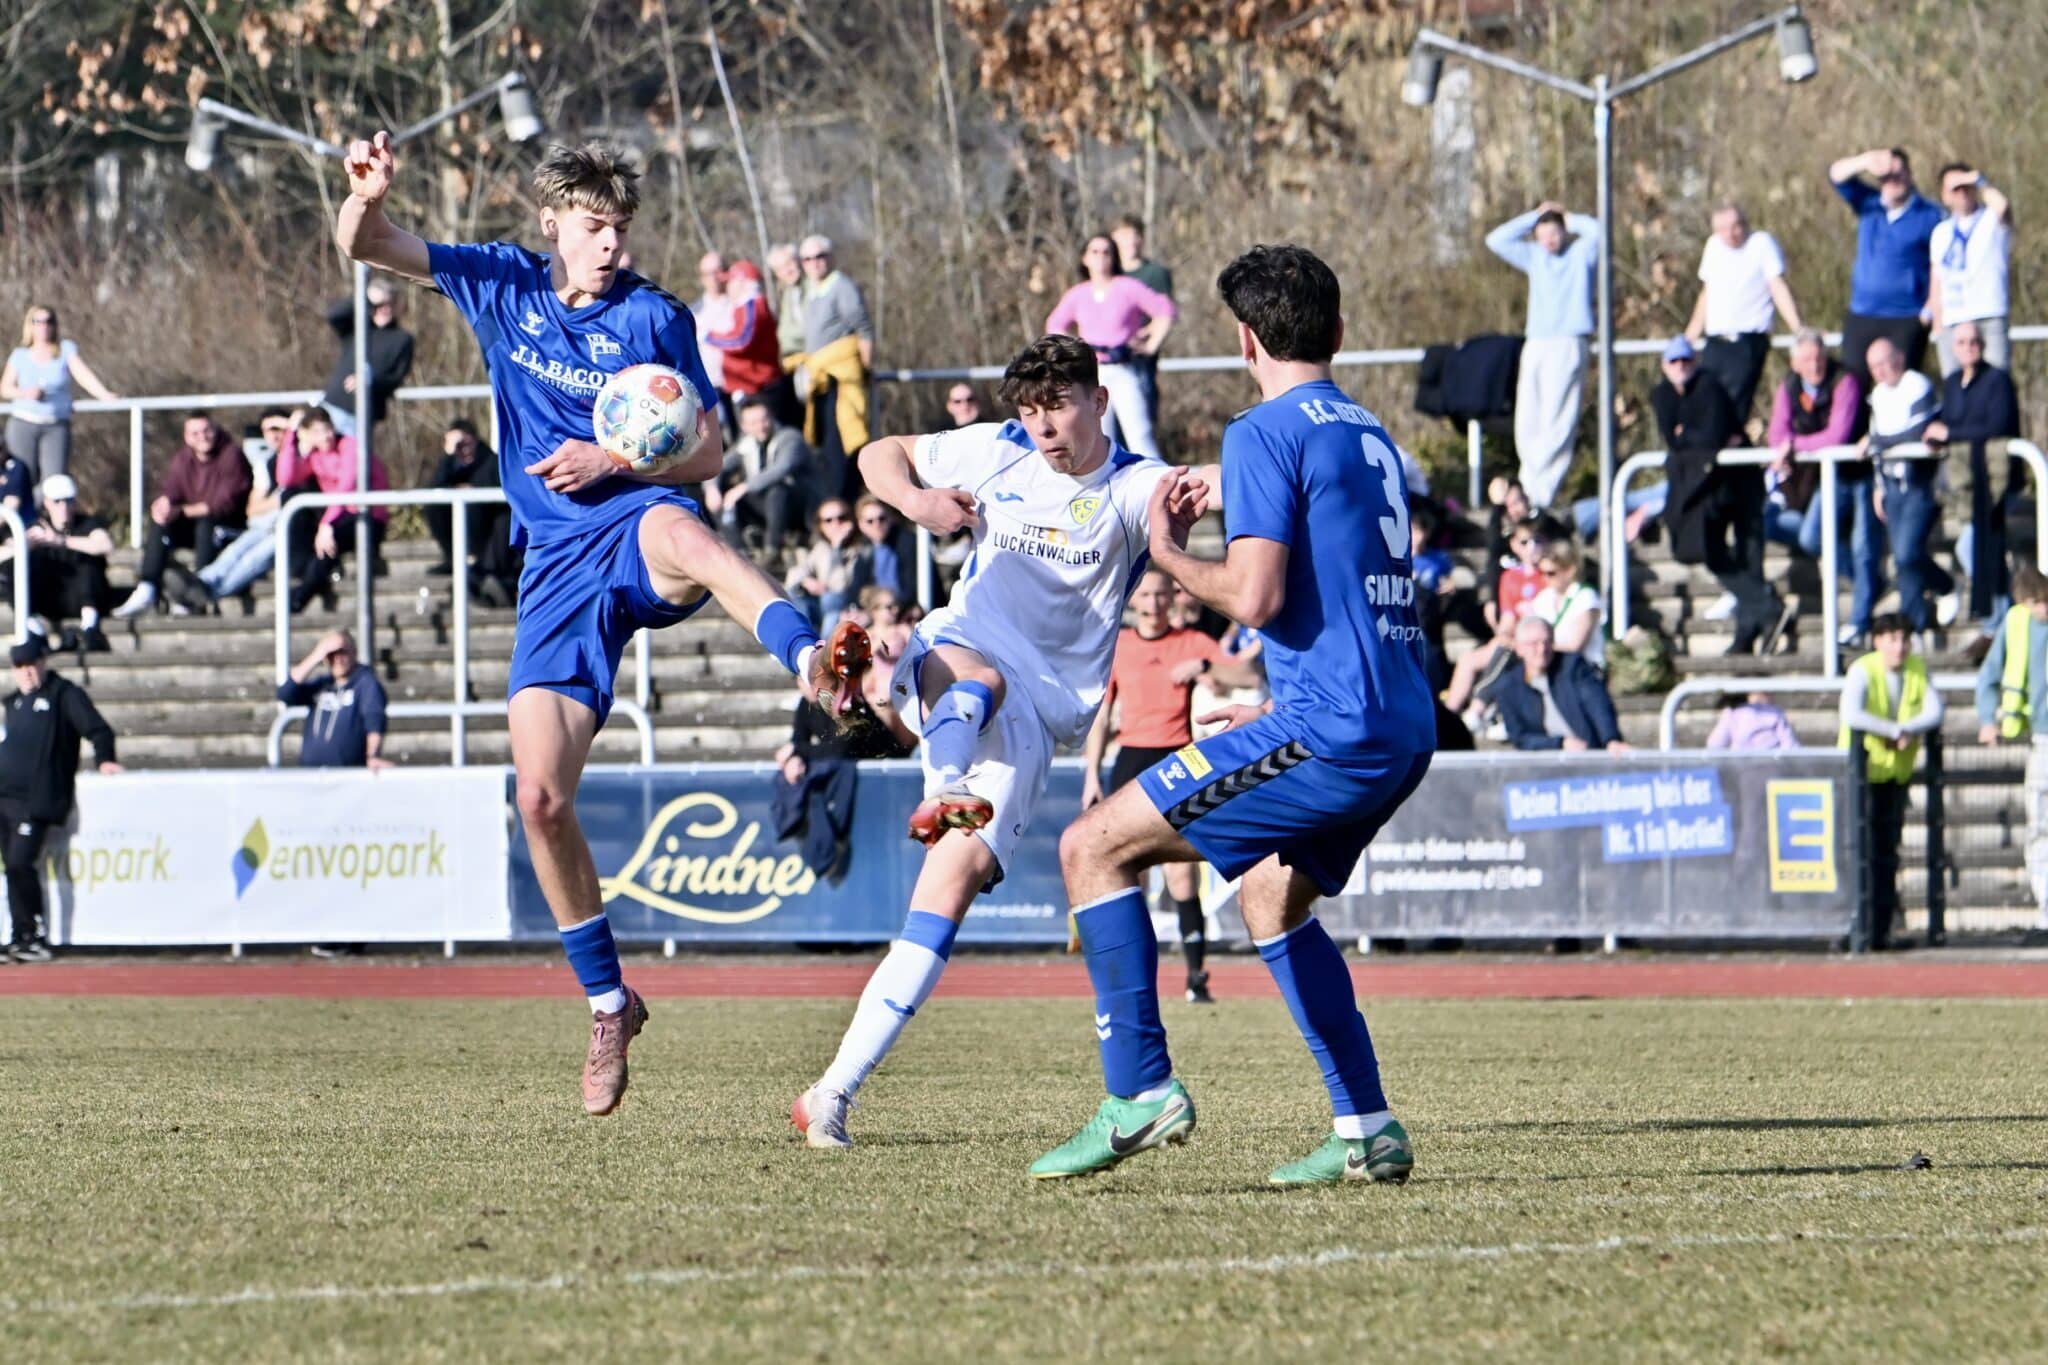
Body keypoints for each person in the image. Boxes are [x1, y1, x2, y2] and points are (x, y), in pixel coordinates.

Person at [336, 130, 870, 1115]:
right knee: (539, 798)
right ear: (552, 225)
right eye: (592, 227)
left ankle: (810, 662)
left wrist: (613, 459)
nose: (611, 243)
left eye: (619, 226)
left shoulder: (656, 316)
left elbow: (706, 454)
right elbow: (368, 246)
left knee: (692, 537)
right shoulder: (502, 284)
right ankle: (609, 1003)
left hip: (636, 522)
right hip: (553, 567)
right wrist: (367, 197)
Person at [1031, 244, 1436, 1187]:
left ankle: (1140, 1093)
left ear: (1246, 341)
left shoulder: (1262, 429)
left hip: (1330, 728)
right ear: (1339, 333)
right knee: (1266, 898)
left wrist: (1169, 552)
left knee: (1090, 847)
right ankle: (1367, 1126)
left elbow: (1253, 599)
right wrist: (1234, 480)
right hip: (1400, 721)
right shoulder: (1367, 431)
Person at [789, 332, 1205, 1150]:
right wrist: (916, 502)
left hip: (1039, 719)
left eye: (1059, 407)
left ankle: (828, 1090)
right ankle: (916, 744)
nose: (1044, 426)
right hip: (961, 646)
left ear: (1100, 401)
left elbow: (1219, 483)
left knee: (941, 902)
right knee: (978, 679)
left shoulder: (1133, 485)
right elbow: (878, 454)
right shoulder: (998, 448)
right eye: (1031, 409)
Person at [1079, 568, 1261, 1005]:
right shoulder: (1120, 645)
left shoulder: (1192, 641)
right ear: (1134, 601)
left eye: (1162, 594)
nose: (1155, 603)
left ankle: (1196, 977)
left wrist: (1206, 667)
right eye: (1146, 595)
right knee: (1126, 873)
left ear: (1173, 599)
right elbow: (1101, 716)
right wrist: (1092, 776)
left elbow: (1249, 678)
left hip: (1178, 759)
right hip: (1131, 759)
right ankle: (1128, 978)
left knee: (1182, 873)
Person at [1654, 336, 1790, 656]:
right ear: (1664, 366)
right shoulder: (1663, 395)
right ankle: (1765, 607)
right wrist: (1694, 438)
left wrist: (1689, 435)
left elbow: (1708, 435)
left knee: (1749, 554)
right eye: (1674, 361)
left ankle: (1749, 632)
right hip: (1706, 487)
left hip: (1739, 482)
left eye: (1686, 360)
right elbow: (1678, 439)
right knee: (1705, 548)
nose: (1680, 366)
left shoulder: (1709, 387)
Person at [0, 632, 120, 962]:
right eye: (19, 666)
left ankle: (35, 935)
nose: (26, 672)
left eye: (31, 663)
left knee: (20, 862)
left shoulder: (63, 695)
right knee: (12, 868)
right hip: (5, 798)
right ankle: (20, 935)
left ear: (43, 662)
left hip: (36, 799)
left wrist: (105, 759)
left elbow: (98, 729)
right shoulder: (14, 703)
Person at [1485, 202, 1600, 509]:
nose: (1549, 240)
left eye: (1555, 233)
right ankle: (1526, 490)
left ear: (1565, 232)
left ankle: (1540, 497)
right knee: (1529, 419)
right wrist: (1534, 217)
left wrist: (1570, 217)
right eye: (1543, 234)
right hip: (1537, 341)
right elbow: (1496, 240)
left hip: (1568, 341)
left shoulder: (1580, 254)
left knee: (1557, 421)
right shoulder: (1535, 256)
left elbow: (1599, 233)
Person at [1839, 612, 1942, 950]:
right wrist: (1893, 730)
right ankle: (1855, 929)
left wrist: (1907, 729)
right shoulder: (1862, 670)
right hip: (1862, 777)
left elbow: (1935, 710)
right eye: (1892, 639)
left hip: (1894, 776)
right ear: (1877, 641)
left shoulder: (1916, 669)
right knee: (1861, 853)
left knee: (1885, 855)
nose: (1899, 647)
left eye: (1904, 639)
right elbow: (1852, 713)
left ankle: (1880, 932)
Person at [1769, 331, 1876, 643]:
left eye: (1819, 357)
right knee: (1810, 536)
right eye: (1806, 359)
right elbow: (1776, 434)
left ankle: (1860, 620)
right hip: (1829, 477)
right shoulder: (1789, 385)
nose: (1814, 365)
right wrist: (1787, 445)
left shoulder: (1845, 380)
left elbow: (1837, 436)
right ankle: (1867, 585)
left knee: (1863, 547)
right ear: (1794, 363)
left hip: (1861, 473)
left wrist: (1795, 445)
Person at [1928, 320, 2022, 656]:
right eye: (1962, 342)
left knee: (1973, 549)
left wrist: (1950, 434)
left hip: (1997, 484)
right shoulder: (1953, 383)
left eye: (1974, 341)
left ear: (1982, 345)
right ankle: (2005, 619)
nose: (1969, 347)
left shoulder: (1997, 380)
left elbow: (1996, 424)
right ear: (1954, 348)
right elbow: (1946, 422)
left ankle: (1998, 624)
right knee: (1977, 551)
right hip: (1968, 486)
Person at [1045, 233, 1178, 460]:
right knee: (1100, 438)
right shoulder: (1078, 293)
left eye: (1106, 252)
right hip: (1092, 374)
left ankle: (1157, 478)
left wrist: (1151, 343)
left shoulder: (1127, 287)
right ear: (1085, 258)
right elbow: (1055, 324)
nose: (1100, 257)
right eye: (1095, 252)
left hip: (1123, 369)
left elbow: (1165, 311)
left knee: (1139, 435)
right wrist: (1074, 352)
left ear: (1114, 257)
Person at [112, 411, 251, 619]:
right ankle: (147, 587)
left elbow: (222, 505)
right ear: (187, 437)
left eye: (207, 431)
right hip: (196, 527)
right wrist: (164, 505)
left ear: (215, 430)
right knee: (161, 522)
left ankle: (197, 592)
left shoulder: (232, 455)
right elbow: (172, 491)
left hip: (228, 528)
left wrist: (180, 510)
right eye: (195, 433)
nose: (203, 437)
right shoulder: (183, 459)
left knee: (207, 523)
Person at [182, 409, 317, 616]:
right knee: (236, 550)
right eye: (267, 431)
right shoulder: (268, 463)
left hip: (297, 531)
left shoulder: (307, 456)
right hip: (266, 527)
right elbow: (253, 510)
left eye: (278, 428)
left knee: (253, 559)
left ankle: (210, 594)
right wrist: (279, 500)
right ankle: (201, 581)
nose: (273, 436)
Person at [1974, 566, 2048, 945]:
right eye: (2033, 603)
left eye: (2043, 601)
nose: (2040, 610)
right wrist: (1988, 719)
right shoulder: (2017, 623)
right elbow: (1988, 676)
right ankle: (2046, 912)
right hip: (2042, 740)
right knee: (2040, 828)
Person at [1863, 337, 1956, 636]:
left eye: (1884, 363)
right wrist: (1878, 485)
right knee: (1903, 564)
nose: (1880, 371)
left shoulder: (1917, 385)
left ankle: (1945, 584)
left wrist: (1877, 442)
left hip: (1919, 484)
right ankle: (1914, 628)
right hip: (1891, 486)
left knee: (1906, 553)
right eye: (1873, 366)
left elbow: (1917, 432)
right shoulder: (1878, 395)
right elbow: (1878, 444)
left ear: (1899, 358)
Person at [1828, 147, 1942, 386]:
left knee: (1902, 388)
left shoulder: (1930, 215)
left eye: (1898, 173)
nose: (1893, 180)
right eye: (1886, 176)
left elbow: (1941, 264)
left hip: (1906, 317)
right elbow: (1836, 174)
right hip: (1862, 313)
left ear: (1909, 174)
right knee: (1851, 386)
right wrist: (1866, 161)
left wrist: (1930, 309)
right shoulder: (1868, 204)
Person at [1683, 203, 1802, 420]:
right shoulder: (1713, 246)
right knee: (1704, 404)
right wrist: (1690, 335)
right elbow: (1707, 293)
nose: (1730, 234)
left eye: (1735, 226)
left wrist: (1798, 328)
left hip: (1747, 340)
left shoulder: (1761, 244)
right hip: (1716, 341)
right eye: (1723, 229)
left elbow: (1777, 287)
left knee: (1733, 410)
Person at [275, 408, 392, 615]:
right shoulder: (315, 455)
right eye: (317, 432)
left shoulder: (350, 446)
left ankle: (300, 597)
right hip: (338, 517)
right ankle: (305, 579)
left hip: (367, 516)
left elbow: (347, 487)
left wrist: (326, 524)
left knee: (330, 540)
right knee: (293, 503)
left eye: (328, 429)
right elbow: (286, 478)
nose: (326, 436)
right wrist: (291, 436)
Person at [788, 235, 876, 492]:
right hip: (820, 378)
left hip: (841, 376)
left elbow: (863, 328)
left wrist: (867, 368)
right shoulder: (810, 292)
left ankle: (847, 496)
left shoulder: (842, 286)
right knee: (826, 444)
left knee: (844, 440)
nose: (814, 263)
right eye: (807, 259)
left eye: (820, 256)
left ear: (831, 257)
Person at [1, 304, 120, 485]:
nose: (44, 326)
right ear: (30, 325)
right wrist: (25, 393)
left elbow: (82, 375)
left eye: (48, 321)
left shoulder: (65, 350)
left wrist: (104, 395)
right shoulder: (20, 355)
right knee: (22, 479)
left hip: (55, 425)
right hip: (23, 423)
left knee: (55, 482)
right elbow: (5, 388)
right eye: (38, 322)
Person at [1480, 615, 1628, 752]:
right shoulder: (1508, 687)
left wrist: (1611, 739)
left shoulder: (1573, 667)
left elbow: (1597, 704)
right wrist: (1560, 743)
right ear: (1519, 649)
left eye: (1547, 642)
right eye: (1533, 644)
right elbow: (1520, 737)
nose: (1542, 649)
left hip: (1587, 753)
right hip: (1544, 761)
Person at [703, 397, 813, 559]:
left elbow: (780, 469)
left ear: (772, 416)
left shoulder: (790, 438)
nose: (761, 426)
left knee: (776, 490)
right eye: (754, 423)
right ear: (744, 426)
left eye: (764, 419)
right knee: (721, 497)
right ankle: (738, 550)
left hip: (796, 504)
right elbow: (720, 466)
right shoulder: (747, 444)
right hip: (763, 505)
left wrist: (743, 488)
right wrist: (711, 488)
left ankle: (772, 549)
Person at [1930, 164, 2012, 376]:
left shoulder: (1990, 219)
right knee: (1954, 385)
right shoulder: (1940, 232)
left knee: (1997, 381)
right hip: (1952, 318)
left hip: (1989, 313)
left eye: (1966, 187)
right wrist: (1938, 323)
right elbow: (1936, 278)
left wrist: (1978, 180)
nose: (1961, 192)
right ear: (1944, 195)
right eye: (1954, 189)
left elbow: (2002, 205)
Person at [22, 475, 114, 652]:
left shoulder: (87, 523)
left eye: (69, 501)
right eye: (57, 502)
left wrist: (61, 541)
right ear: (47, 503)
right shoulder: (36, 527)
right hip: (51, 597)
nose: (64, 507)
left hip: (85, 597)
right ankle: (35, 629)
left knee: (89, 558)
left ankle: (89, 628)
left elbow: (106, 546)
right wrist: (24, 545)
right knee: (21, 565)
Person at [278, 630, 392, 770]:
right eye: (332, 654)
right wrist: (316, 655)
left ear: (354, 653)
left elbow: (374, 721)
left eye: (342, 652)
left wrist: (373, 756)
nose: (338, 659)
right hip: (311, 774)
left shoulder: (366, 684)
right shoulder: (322, 685)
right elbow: (286, 693)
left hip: (346, 774)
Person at [320, 280, 415, 436]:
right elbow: (333, 315)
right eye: (379, 305)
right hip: (331, 406)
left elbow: (397, 378)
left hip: (361, 415)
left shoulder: (402, 339)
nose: (384, 309)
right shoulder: (356, 328)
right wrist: (365, 297)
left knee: (354, 453)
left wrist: (369, 379)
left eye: (389, 304)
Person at [1111, 214, 1174, 429]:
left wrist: (1147, 341)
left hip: (1138, 360)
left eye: (1135, 235)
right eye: (1124, 235)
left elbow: (1165, 313)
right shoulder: (1107, 274)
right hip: (1107, 360)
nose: (1131, 241)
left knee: (1141, 427)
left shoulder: (1155, 273)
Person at [424, 417, 505, 576]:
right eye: (457, 445)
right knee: (434, 508)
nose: (463, 449)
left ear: (475, 440)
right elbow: (436, 489)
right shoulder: (450, 465)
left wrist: (472, 489)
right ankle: (452, 559)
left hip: (488, 524)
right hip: (460, 523)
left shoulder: (491, 460)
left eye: (465, 443)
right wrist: (449, 454)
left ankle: (480, 563)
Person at [702, 259, 781, 406]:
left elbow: (741, 340)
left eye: (730, 282)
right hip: (749, 386)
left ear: (742, 283)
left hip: (759, 386)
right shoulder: (745, 306)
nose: (728, 286)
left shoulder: (752, 305)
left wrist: (709, 337)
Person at [785, 497, 864, 628]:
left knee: (831, 601)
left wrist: (837, 547)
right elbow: (794, 575)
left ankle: (825, 641)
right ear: (821, 526)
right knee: (792, 595)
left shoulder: (859, 550)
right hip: (821, 607)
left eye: (842, 518)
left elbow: (839, 587)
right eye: (828, 520)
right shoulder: (822, 548)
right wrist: (805, 580)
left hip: (846, 608)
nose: (836, 524)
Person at [848, 494, 914, 601]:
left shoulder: (907, 542)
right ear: (861, 525)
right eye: (870, 521)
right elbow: (856, 590)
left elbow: (911, 588)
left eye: (882, 519)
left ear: (891, 518)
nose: (876, 525)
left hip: (902, 604)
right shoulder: (864, 548)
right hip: (873, 606)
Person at [1706, 691, 1799, 750]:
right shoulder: (1774, 712)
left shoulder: (1731, 713)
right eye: (1768, 692)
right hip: (1768, 768)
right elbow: (1791, 745)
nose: (1772, 696)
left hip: (1742, 769)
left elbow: (1715, 744)